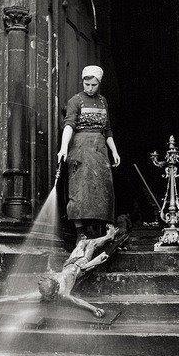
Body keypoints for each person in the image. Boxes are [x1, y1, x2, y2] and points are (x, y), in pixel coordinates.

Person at [57, 66, 120, 239]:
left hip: (99, 150)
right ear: (82, 82)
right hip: (80, 149)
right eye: (87, 84)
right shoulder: (75, 101)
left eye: (94, 85)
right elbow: (69, 125)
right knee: (80, 189)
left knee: (102, 189)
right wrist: (63, 148)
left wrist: (114, 151)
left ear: (99, 83)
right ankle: (81, 232)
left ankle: (98, 231)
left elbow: (107, 130)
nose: (90, 88)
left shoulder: (103, 101)